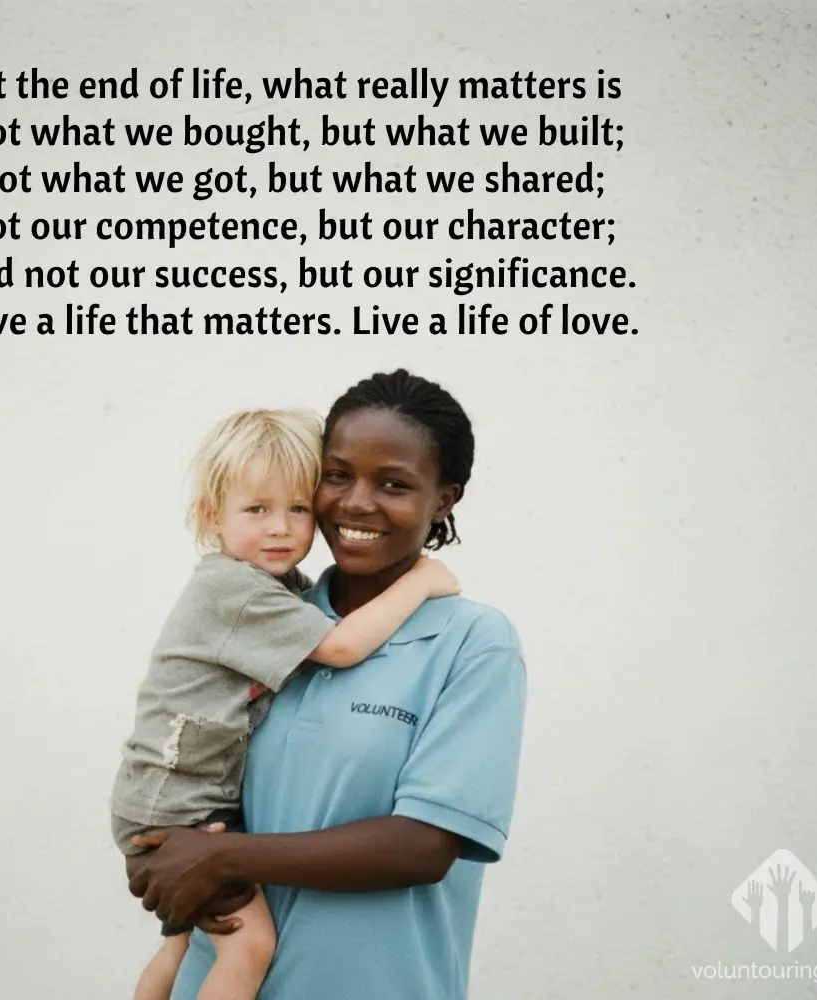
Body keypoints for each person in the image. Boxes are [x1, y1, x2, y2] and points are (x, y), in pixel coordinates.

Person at [127, 370, 528, 1000]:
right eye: (337, 475)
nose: (355, 503)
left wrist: (221, 858)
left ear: (444, 499)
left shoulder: (472, 643)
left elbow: (423, 848)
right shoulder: (265, 623)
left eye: (394, 484)